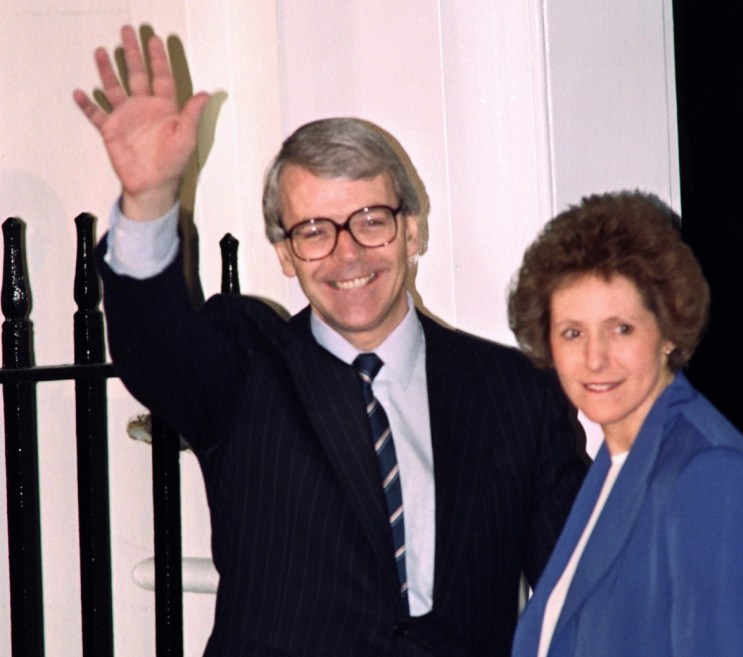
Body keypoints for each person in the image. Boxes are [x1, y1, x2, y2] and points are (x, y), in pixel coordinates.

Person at [73, 26, 588, 657]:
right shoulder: (246, 372)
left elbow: (581, 593)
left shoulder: (518, 394)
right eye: (314, 230)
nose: (346, 253)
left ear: (413, 231)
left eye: (371, 221)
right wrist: (150, 201)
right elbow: (157, 352)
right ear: (286, 255)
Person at [507, 190, 743, 657]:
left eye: (621, 328)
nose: (594, 358)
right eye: (572, 333)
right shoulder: (614, 461)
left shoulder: (709, 472)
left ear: (667, 330)